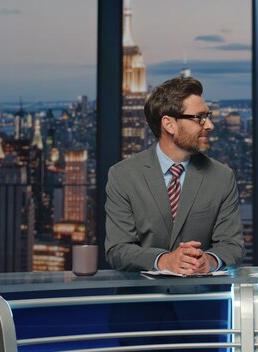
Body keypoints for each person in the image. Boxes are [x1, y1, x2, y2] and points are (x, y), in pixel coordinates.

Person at [104, 76, 244, 348]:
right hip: (138, 318)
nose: (210, 125)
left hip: (200, 317)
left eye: (209, 116)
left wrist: (210, 261)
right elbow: (117, 250)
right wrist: (165, 261)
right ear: (168, 123)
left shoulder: (222, 177)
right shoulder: (123, 175)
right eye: (200, 118)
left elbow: (233, 245)